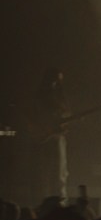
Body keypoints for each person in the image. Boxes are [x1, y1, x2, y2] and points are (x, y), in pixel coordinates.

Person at [29, 68, 71, 202]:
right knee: (48, 172)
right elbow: (35, 116)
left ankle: (58, 201)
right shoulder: (42, 96)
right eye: (55, 80)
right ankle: (48, 201)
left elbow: (65, 115)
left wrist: (65, 121)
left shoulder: (58, 96)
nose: (56, 83)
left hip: (55, 137)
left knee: (60, 172)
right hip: (46, 137)